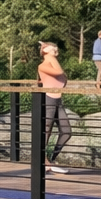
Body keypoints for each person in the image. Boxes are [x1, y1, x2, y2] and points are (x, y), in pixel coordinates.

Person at [38, 41, 71, 173]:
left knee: (67, 131)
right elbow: (59, 72)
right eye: (52, 47)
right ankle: (44, 162)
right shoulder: (42, 66)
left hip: (58, 101)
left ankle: (51, 159)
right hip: (48, 100)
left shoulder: (51, 61)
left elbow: (63, 78)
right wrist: (51, 57)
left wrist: (52, 56)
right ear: (44, 50)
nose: (56, 48)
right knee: (46, 132)